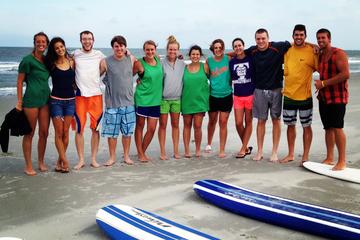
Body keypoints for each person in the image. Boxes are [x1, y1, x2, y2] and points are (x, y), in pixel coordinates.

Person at [246, 28, 291, 162]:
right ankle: (259, 152)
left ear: (268, 38)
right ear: (255, 40)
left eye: (263, 38)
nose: (260, 41)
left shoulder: (278, 47)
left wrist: (315, 46)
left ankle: (274, 152)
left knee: (276, 120)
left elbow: (297, 42)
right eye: (258, 39)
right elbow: (238, 53)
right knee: (261, 121)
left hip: (276, 89)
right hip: (259, 90)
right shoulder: (252, 50)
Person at [280, 24, 318, 165]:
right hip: (288, 95)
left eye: (301, 35)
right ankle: (290, 154)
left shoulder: (312, 51)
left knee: (306, 126)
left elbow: (321, 68)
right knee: (290, 126)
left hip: (305, 97)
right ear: (293, 36)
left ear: (305, 36)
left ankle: (305, 156)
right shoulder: (287, 50)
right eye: (296, 35)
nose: (299, 37)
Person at [314, 28, 350, 171]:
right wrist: (315, 46)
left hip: (337, 97)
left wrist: (323, 83)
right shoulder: (321, 54)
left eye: (323, 38)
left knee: (337, 127)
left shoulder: (338, 53)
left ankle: (342, 161)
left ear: (329, 39)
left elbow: (345, 74)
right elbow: (311, 45)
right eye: (318, 38)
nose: (320, 40)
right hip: (324, 98)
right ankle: (330, 158)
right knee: (327, 128)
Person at [16, 32, 50, 176]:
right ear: (34, 43)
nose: (41, 44)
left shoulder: (47, 60)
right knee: (29, 133)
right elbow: (19, 81)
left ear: (47, 44)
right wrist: (19, 101)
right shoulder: (27, 60)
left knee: (44, 133)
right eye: (38, 41)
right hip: (30, 100)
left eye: (43, 42)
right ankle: (28, 165)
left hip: (46, 99)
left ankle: (41, 162)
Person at [100, 35, 137, 166]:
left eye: (121, 46)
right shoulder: (105, 61)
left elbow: (140, 71)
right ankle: (112, 157)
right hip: (112, 104)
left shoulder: (131, 59)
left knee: (127, 132)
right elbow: (94, 77)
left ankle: (126, 156)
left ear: (125, 47)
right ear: (113, 47)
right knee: (112, 133)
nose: (119, 48)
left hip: (128, 103)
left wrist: (130, 53)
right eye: (116, 46)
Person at [73, 30, 105, 170]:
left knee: (95, 129)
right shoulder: (75, 54)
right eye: (84, 39)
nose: (87, 41)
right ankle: (81, 160)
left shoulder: (99, 54)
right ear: (81, 41)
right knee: (79, 129)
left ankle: (93, 159)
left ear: (93, 40)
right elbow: (68, 67)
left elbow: (110, 65)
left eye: (89, 39)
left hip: (96, 95)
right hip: (80, 96)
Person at [45, 37, 76, 173]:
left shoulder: (72, 62)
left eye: (61, 46)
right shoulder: (51, 64)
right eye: (57, 48)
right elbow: (39, 75)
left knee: (65, 132)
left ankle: (59, 161)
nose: (60, 49)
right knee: (58, 133)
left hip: (70, 101)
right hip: (56, 101)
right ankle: (65, 161)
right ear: (54, 50)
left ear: (64, 46)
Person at [133, 40, 163, 162]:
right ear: (144, 50)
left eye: (152, 49)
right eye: (147, 49)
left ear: (155, 50)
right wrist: (137, 80)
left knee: (151, 129)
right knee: (140, 126)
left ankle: (141, 151)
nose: (150, 51)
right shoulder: (139, 63)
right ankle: (140, 154)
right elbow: (127, 75)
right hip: (142, 99)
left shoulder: (158, 60)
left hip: (156, 100)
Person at [158, 35, 185, 160]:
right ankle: (163, 152)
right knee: (162, 126)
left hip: (177, 100)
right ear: (167, 50)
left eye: (175, 49)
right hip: (163, 99)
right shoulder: (161, 63)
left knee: (175, 125)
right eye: (170, 49)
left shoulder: (182, 64)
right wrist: (141, 80)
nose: (172, 52)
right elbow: (152, 75)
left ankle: (176, 151)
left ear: (178, 50)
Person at [205, 39, 233, 158]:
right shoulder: (208, 61)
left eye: (220, 47)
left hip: (226, 95)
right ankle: (209, 143)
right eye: (215, 48)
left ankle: (222, 149)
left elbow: (238, 53)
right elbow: (204, 75)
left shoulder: (228, 59)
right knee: (212, 121)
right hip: (213, 95)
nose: (218, 50)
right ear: (213, 49)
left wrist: (229, 53)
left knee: (223, 122)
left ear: (223, 48)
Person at [181, 45, 210, 157]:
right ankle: (187, 150)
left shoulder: (205, 67)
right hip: (187, 100)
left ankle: (198, 149)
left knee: (197, 126)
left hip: (200, 101)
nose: (195, 56)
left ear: (200, 55)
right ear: (190, 55)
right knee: (187, 125)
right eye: (193, 54)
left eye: (197, 54)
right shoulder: (184, 68)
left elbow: (215, 77)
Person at [229, 38, 255, 158]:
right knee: (238, 123)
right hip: (238, 95)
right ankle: (245, 147)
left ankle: (243, 149)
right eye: (235, 46)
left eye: (240, 45)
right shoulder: (231, 62)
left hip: (250, 94)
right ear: (233, 48)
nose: (238, 48)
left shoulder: (251, 59)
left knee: (248, 122)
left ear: (243, 46)